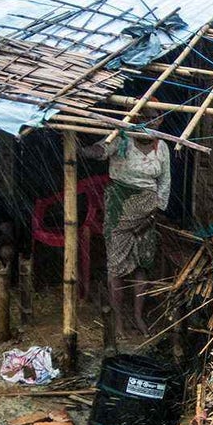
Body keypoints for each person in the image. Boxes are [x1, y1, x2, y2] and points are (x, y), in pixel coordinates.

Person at [80, 109, 171, 337]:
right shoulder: (120, 139)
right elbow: (100, 151)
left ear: (160, 121)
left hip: (148, 214)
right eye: (142, 116)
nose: (148, 121)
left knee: (142, 265)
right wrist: (80, 150)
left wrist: (154, 214)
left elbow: (164, 182)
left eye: (154, 117)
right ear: (134, 118)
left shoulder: (163, 147)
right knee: (117, 267)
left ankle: (138, 316)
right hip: (120, 210)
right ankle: (119, 320)